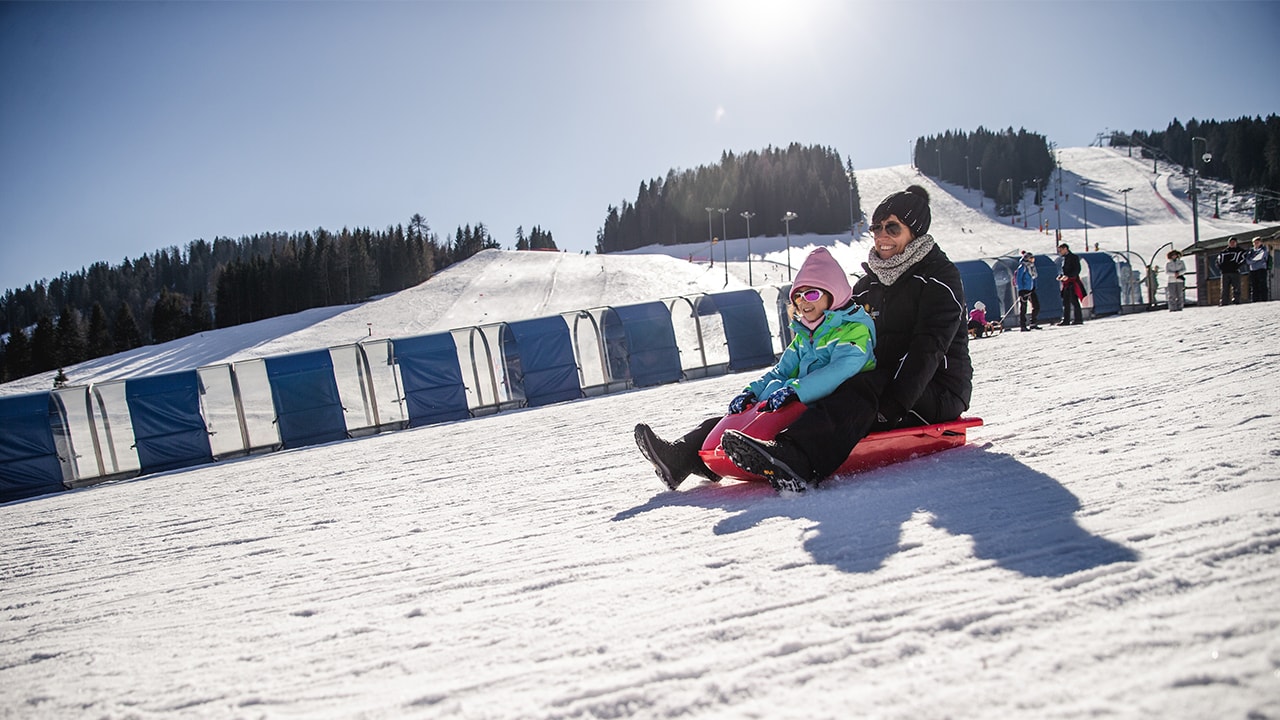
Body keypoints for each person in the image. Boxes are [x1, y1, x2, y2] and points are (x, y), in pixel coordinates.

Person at [717, 185, 972, 492]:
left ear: (915, 232)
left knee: (857, 385)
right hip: (880, 384)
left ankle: (798, 459)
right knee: (819, 381)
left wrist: (890, 408)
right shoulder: (867, 285)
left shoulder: (939, 280)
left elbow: (927, 350)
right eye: (876, 227)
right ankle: (698, 450)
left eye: (893, 228)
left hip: (933, 390)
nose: (881, 236)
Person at [633, 247, 876, 491]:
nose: (803, 302)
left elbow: (842, 369)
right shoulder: (805, 335)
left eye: (812, 294)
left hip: (839, 406)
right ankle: (680, 458)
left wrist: (797, 391)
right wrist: (751, 393)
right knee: (732, 420)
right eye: (798, 297)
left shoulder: (853, 329)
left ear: (834, 294)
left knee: (809, 420)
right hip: (801, 399)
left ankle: (784, 456)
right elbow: (780, 372)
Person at [1056, 243, 1085, 325]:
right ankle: (1066, 319)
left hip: (1072, 282)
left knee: (1074, 301)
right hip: (1066, 282)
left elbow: (1077, 270)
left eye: (1061, 250)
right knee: (1065, 301)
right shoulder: (1063, 259)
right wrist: (1061, 276)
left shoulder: (1074, 257)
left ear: (1065, 249)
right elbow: (1064, 270)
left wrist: (1069, 276)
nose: (1060, 252)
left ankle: (1078, 319)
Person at [1015, 251, 1042, 331]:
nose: (1032, 260)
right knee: (1023, 307)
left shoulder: (1032, 267)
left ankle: (1033, 322)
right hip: (1024, 290)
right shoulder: (1022, 267)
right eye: (1031, 258)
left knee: (1036, 305)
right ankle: (1022, 325)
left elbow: (1033, 278)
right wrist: (1021, 290)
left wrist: (1034, 286)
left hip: (1031, 289)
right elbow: (1019, 279)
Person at [1217, 236, 1247, 305]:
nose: (1232, 243)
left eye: (1233, 242)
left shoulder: (1241, 251)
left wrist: (1237, 266)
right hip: (1225, 273)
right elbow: (1218, 261)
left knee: (1236, 287)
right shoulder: (1223, 252)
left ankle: (1237, 301)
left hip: (1235, 272)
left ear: (1236, 243)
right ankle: (1224, 302)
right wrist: (1221, 268)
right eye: (1231, 242)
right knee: (1224, 288)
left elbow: (1243, 260)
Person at [1245, 237, 1271, 303]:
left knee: (1262, 284)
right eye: (1254, 242)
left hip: (1261, 269)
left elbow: (1260, 257)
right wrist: (1252, 260)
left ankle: (1264, 299)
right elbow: (1247, 260)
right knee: (1254, 285)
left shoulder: (1264, 249)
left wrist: (1252, 260)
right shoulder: (1251, 251)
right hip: (1253, 270)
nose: (1256, 244)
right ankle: (1254, 299)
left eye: (1257, 242)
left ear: (1261, 242)